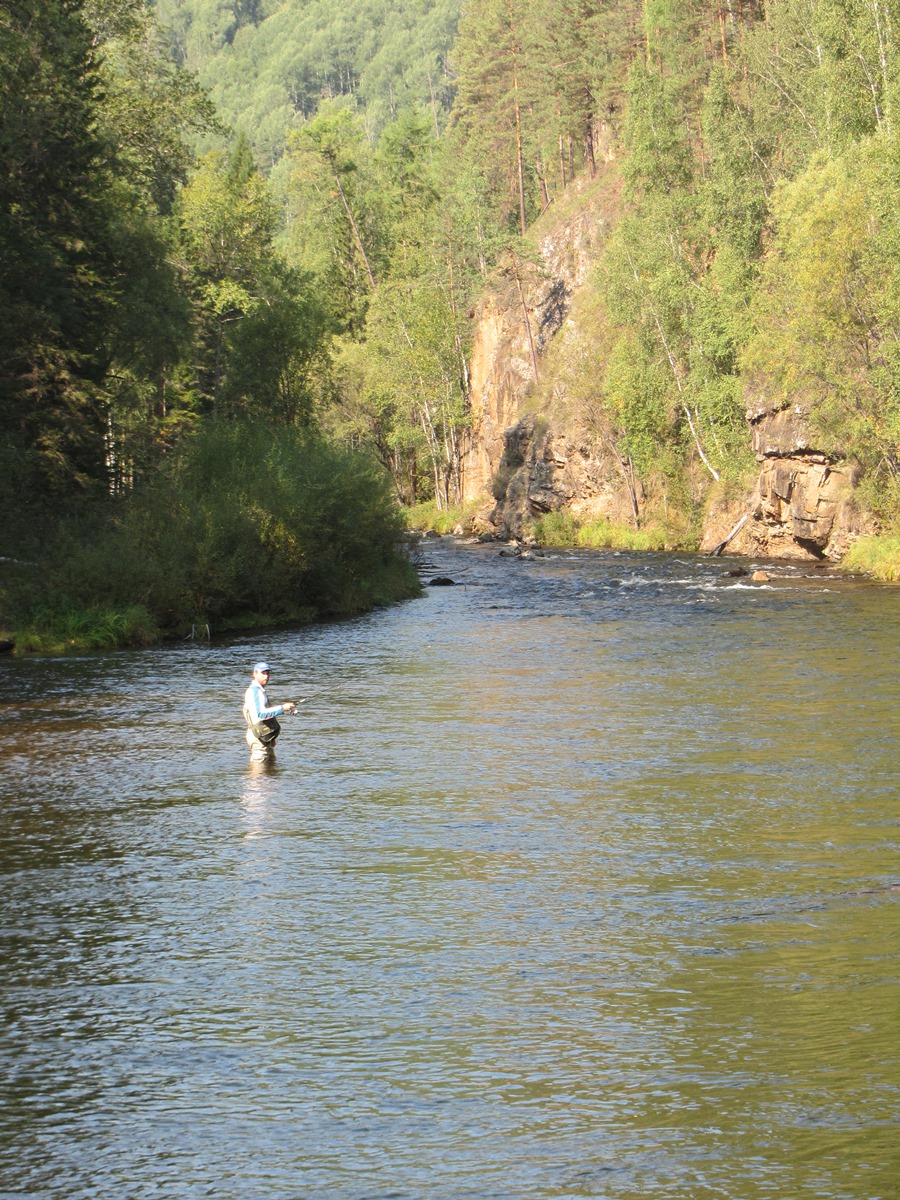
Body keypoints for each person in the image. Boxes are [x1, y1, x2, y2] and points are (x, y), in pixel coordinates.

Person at [243, 661, 296, 758]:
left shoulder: (260, 690)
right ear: (254, 674)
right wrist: (282, 708)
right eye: (263, 673)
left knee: (271, 766)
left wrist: (272, 738)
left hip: (264, 736)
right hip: (258, 738)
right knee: (258, 767)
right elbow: (261, 714)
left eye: (267, 673)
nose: (266, 676)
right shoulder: (255, 691)